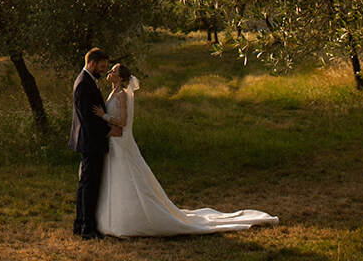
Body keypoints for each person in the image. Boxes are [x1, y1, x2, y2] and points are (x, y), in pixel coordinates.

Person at [93, 63, 279, 237]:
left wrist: (104, 116)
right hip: (114, 142)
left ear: (121, 78)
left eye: (113, 71)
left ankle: (131, 219)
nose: (109, 72)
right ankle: (113, 216)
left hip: (120, 142)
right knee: (117, 177)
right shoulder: (112, 93)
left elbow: (124, 121)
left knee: (127, 176)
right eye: (110, 70)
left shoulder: (122, 95)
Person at [69, 48, 120, 240]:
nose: (104, 70)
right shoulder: (84, 84)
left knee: (85, 184)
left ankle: (80, 223)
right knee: (90, 186)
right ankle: (87, 229)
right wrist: (108, 131)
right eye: (102, 66)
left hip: (90, 141)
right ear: (92, 64)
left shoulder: (87, 81)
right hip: (91, 142)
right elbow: (88, 118)